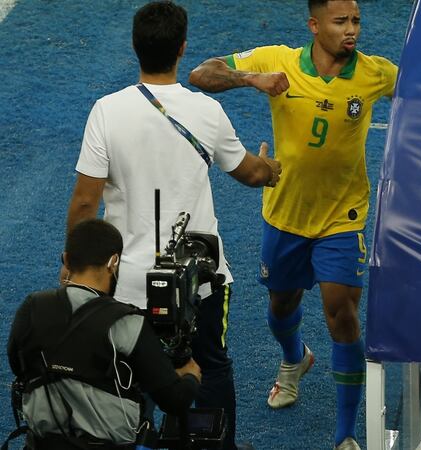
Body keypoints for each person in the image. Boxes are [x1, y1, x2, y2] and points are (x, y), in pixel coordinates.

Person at [63, 2, 281, 449]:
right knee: (211, 367)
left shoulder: (106, 111)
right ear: (182, 48)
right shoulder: (207, 111)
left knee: (127, 374)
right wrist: (271, 168)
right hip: (199, 280)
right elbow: (250, 173)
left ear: (135, 47)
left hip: (125, 285)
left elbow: (85, 202)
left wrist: (73, 268)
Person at [188, 1, 397, 448]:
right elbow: (201, 74)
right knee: (282, 306)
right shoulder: (277, 60)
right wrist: (252, 78)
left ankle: (345, 435)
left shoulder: (375, 73)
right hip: (285, 215)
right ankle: (295, 358)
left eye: (356, 21)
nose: (352, 30)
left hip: (343, 217)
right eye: (340, 21)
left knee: (343, 315)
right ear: (314, 25)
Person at [8, 219, 201, 449]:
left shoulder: (32, 308)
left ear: (67, 259)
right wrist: (191, 376)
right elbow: (174, 401)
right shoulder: (128, 323)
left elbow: (19, 366)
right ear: (113, 262)